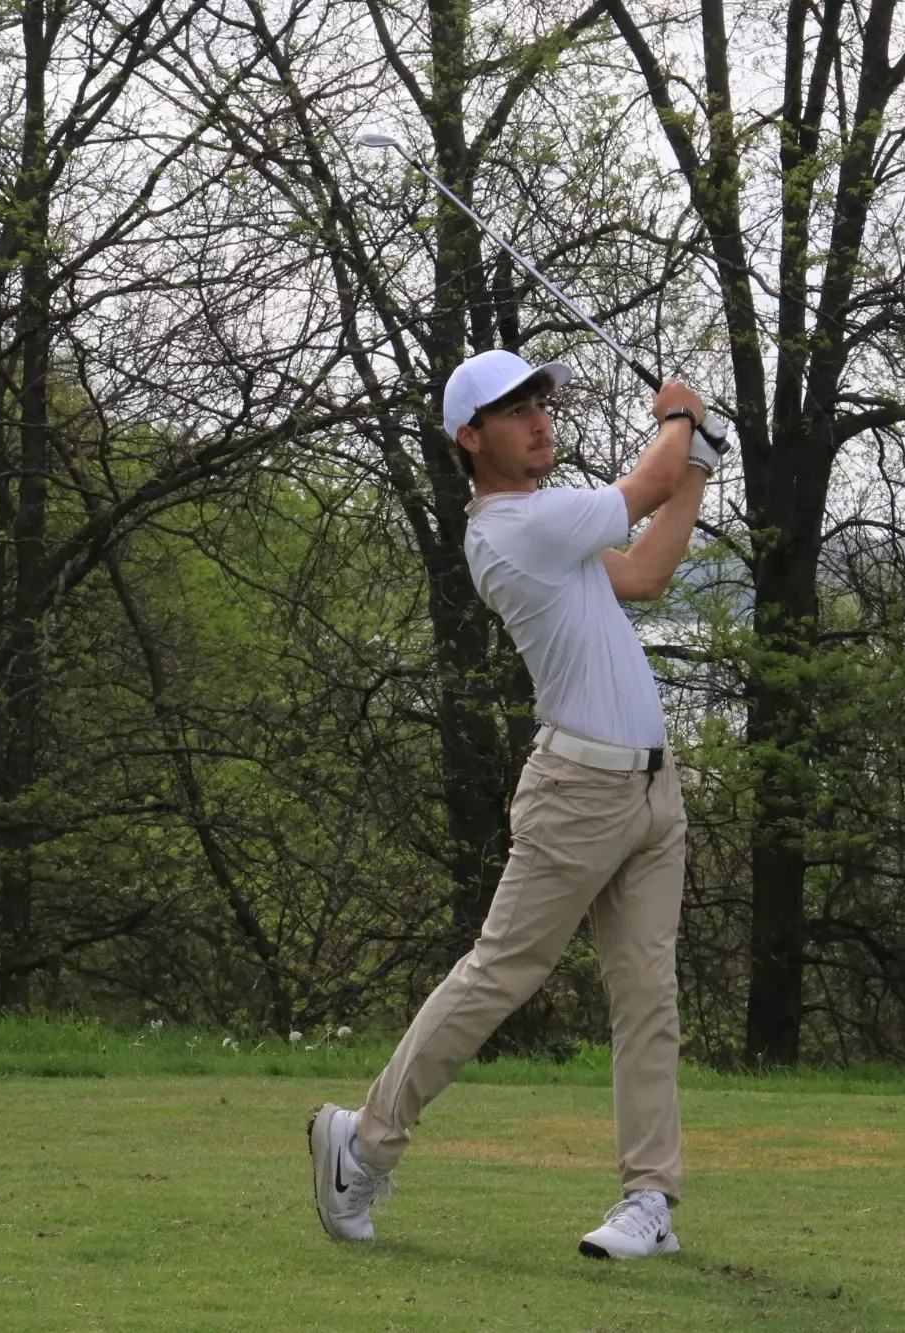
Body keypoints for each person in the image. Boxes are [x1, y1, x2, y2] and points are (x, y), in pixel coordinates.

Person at [309, 348, 720, 1260]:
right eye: (514, 409)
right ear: (471, 436)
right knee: (501, 972)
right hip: (578, 793)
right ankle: (364, 1142)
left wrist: (695, 463)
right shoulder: (511, 528)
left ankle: (648, 1199)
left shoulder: (553, 528)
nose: (539, 419)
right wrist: (681, 422)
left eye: (541, 401)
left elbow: (648, 570)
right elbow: (644, 484)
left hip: (653, 793)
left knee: (648, 996)